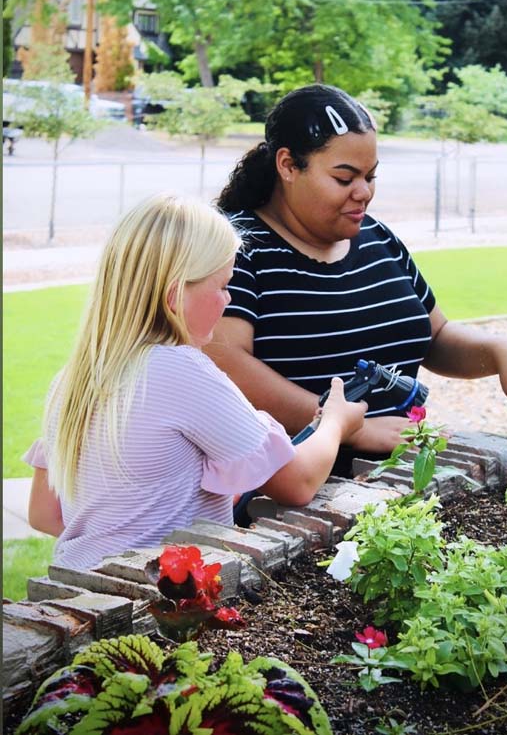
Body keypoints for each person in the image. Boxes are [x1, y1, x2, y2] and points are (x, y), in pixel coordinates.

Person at [206, 84, 507, 473]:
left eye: (370, 176)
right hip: (296, 495)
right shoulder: (236, 247)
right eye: (344, 178)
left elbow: (435, 336)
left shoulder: (378, 237)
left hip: (402, 483)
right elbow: (223, 363)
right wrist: (347, 427)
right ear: (288, 165)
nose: (364, 193)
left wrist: (504, 350)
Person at [23, 193, 366, 569]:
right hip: (156, 605)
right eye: (222, 285)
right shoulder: (181, 369)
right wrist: (335, 422)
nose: (228, 299)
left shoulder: (72, 379)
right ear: (174, 297)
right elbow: (297, 482)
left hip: (78, 592)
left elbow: (45, 513)